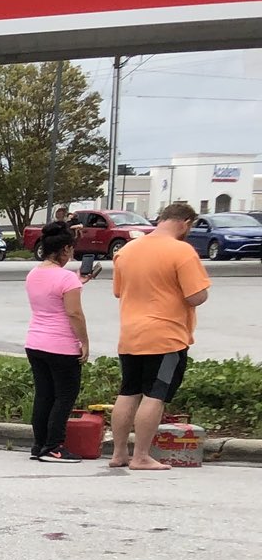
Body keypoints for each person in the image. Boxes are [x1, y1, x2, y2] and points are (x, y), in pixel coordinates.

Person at [109, 201, 210, 471]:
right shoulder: (182, 251)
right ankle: (141, 455)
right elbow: (196, 295)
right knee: (156, 394)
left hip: (130, 334)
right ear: (186, 223)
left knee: (128, 391)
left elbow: (119, 292)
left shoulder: (127, 250)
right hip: (166, 337)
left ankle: (119, 453)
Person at [24, 221, 92, 461]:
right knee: (64, 396)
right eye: (71, 250)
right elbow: (74, 313)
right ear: (64, 250)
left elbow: (49, 297)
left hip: (35, 342)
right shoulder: (67, 279)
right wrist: (83, 341)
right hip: (61, 345)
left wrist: (76, 284)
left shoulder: (33, 274)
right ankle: (54, 446)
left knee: (44, 395)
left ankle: (39, 444)